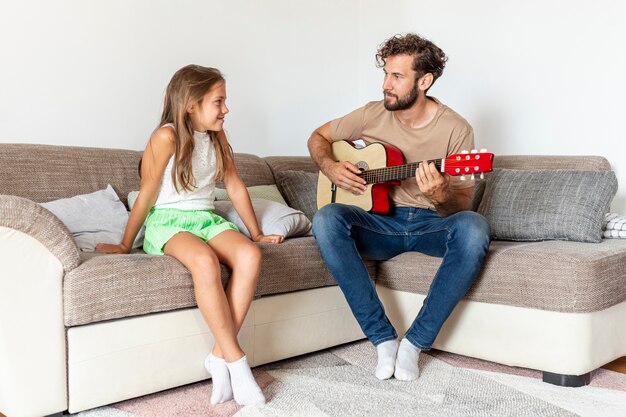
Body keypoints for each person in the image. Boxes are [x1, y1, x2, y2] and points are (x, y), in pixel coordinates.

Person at [96, 64, 284, 406]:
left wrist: (255, 233)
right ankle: (238, 364)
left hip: (205, 218)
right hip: (169, 221)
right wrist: (126, 243)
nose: (226, 109)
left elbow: (234, 185)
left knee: (249, 255)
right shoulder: (165, 137)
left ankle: (218, 357)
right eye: (219, 101)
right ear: (191, 104)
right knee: (203, 260)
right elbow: (148, 193)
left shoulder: (218, 136)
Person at [307, 33, 490, 382]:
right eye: (386, 74)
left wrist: (440, 196)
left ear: (424, 81)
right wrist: (331, 167)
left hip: (429, 226)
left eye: (397, 77)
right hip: (381, 224)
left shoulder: (456, 128)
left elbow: (461, 206)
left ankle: (415, 343)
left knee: (475, 226)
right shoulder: (371, 114)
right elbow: (317, 137)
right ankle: (382, 338)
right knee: (327, 218)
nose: (385, 85)